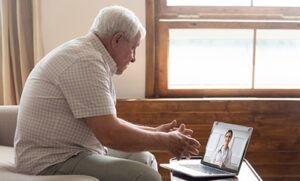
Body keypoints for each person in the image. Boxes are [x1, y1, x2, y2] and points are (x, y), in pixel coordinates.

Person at [14, 5, 200, 181]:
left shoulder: (88, 54)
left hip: (72, 150)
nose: (134, 57)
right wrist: (166, 141)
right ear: (117, 39)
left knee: (145, 158)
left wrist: (155, 132)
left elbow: (108, 121)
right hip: (51, 160)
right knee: (145, 176)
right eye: (133, 47)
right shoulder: (85, 62)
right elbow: (110, 134)